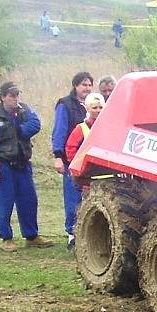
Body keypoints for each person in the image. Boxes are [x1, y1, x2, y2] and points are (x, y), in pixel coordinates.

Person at [0, 82, 53, 251]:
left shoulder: (23, 111)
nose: (15, 98)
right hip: (3, 166)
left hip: (23, 164)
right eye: (12, 95)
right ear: (3, 97)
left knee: (29, 200)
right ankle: (6, 238)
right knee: (5, 202)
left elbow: (36, 124)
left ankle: (31, 236)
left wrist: (20, 129)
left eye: (17, 95)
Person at [52, 72, 93, 248]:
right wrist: (58, 157)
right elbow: (59, 131)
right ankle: (72, 234)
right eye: (84, 84)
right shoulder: (65, 105)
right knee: (73, 197)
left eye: (90, 84)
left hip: (91, 162)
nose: (87, 88)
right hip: (72, 158)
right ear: (75, 86)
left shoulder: (94, 105)